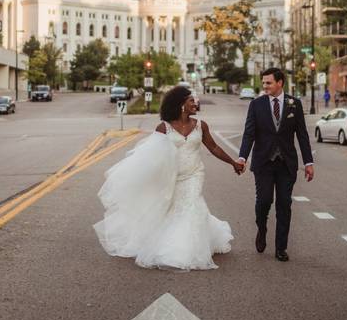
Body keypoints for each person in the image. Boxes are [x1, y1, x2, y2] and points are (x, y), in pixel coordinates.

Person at [94, 85, 239, 270]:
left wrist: (233, 162)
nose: (196, 103)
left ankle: (188, 249)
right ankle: (169, 242)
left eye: (195, 100)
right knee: (171, 209)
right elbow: (150, 156)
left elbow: (214, 148)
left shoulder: (201, 125)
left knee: (192, 205)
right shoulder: (164, 128)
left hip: (195, 173)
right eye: (191, 100)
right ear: (180, 104)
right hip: (171, 176)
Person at [236, 68, 314, 262]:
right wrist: (242, 157)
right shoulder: (256, 105)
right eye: (263, 83)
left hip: (286, 164)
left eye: (268, 83)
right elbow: (249, 133)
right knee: (263, 201)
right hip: (263, 162)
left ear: (280, 83)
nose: (265, 86)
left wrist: (308, 162)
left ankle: (281, 247)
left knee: (284, 205)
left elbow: (302, 136)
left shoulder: (294, 104)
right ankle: (262, 229)